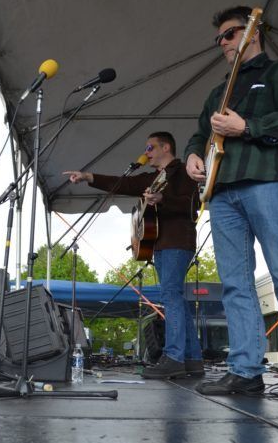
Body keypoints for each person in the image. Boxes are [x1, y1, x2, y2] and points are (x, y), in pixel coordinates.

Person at [184, 5, 278, 398]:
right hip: (222, 192)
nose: (223, 43)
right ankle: (245, 370)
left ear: (253, 32)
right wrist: (193, 156)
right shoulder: (218, 91)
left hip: (269, 184)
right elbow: (199, 134)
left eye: (229, 34)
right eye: (219, 39)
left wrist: (248, 126)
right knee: (234, 284)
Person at [64, 131, 203, 379]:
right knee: (176, 300)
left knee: (171, 297)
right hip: (161, 245)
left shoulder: (183, 172)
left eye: (150, 148)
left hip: (177, 242)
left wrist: (163, 199)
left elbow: (192, 206)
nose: (146, 152)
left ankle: (173, 358)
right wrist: (88, 176)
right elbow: (123, 183)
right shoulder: (153, 177)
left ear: (166, 147)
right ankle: (192, 360)